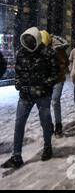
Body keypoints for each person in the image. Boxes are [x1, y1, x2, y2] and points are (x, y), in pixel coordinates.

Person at [1, 27, 59, 169]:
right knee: (19, 124)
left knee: (45, 121)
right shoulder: (21, 53)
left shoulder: (48, 53)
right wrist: (20, 85)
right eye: (27, 43)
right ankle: (16, 155)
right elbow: (18, 73)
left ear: (37, 40)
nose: (29, 46)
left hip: (42, 95)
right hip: (25, 95)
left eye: (31, 42)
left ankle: (47, 147)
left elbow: (54, 74)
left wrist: (42, 87)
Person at [41, 31, 70, 138]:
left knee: (55, 100)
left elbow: (66, 62)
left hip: (58, 78)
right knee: (46, 102)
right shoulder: (41, 48)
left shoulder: (59, 49)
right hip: (46, 80)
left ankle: (58, 125)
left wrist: (58, 68)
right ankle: (49, 125)